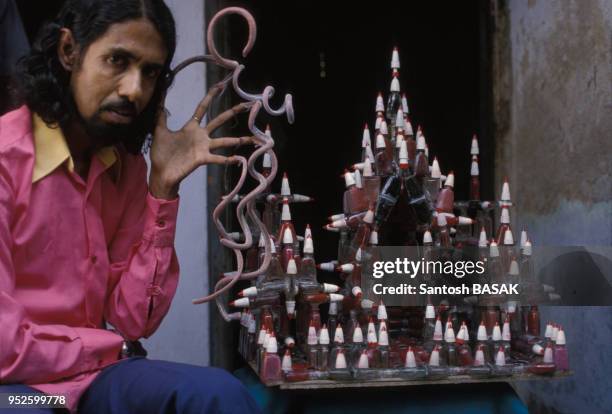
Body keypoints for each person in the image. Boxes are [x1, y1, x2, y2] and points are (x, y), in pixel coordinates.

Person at [0, 0, 261, 413]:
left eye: (150, 72)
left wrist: (162, 189)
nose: (133, 89)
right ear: (69, 52)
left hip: (95, 377)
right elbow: (4, 349)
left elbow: (133, 321)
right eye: (117, 61)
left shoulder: (123, 168)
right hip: (14, 386)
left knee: (218, 394)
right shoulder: (5, 158)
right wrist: (109, 346)